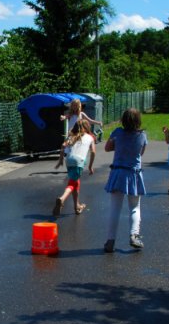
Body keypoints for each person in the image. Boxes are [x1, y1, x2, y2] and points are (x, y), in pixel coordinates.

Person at [103, 108, 147, 253]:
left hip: (118, 172)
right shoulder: (142, 136)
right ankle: (134, 235)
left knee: (115, 208)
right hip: (133, 174)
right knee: (134, 207)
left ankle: (110, 240)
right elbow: (140, 153)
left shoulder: (117, 133)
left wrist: (118, 145)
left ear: (123, 120)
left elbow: (107, 148)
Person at [52, 119, 96, 217]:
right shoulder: (90, 137)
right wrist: (90, 166)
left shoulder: (72, 136)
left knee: (75, 182)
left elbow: (63, 146)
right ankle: (62, 199)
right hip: (78, 161)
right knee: (72, 183)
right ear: (87, 127)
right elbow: (93, 151)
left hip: (69, 160)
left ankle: (77, 206)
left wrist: (60, 160)